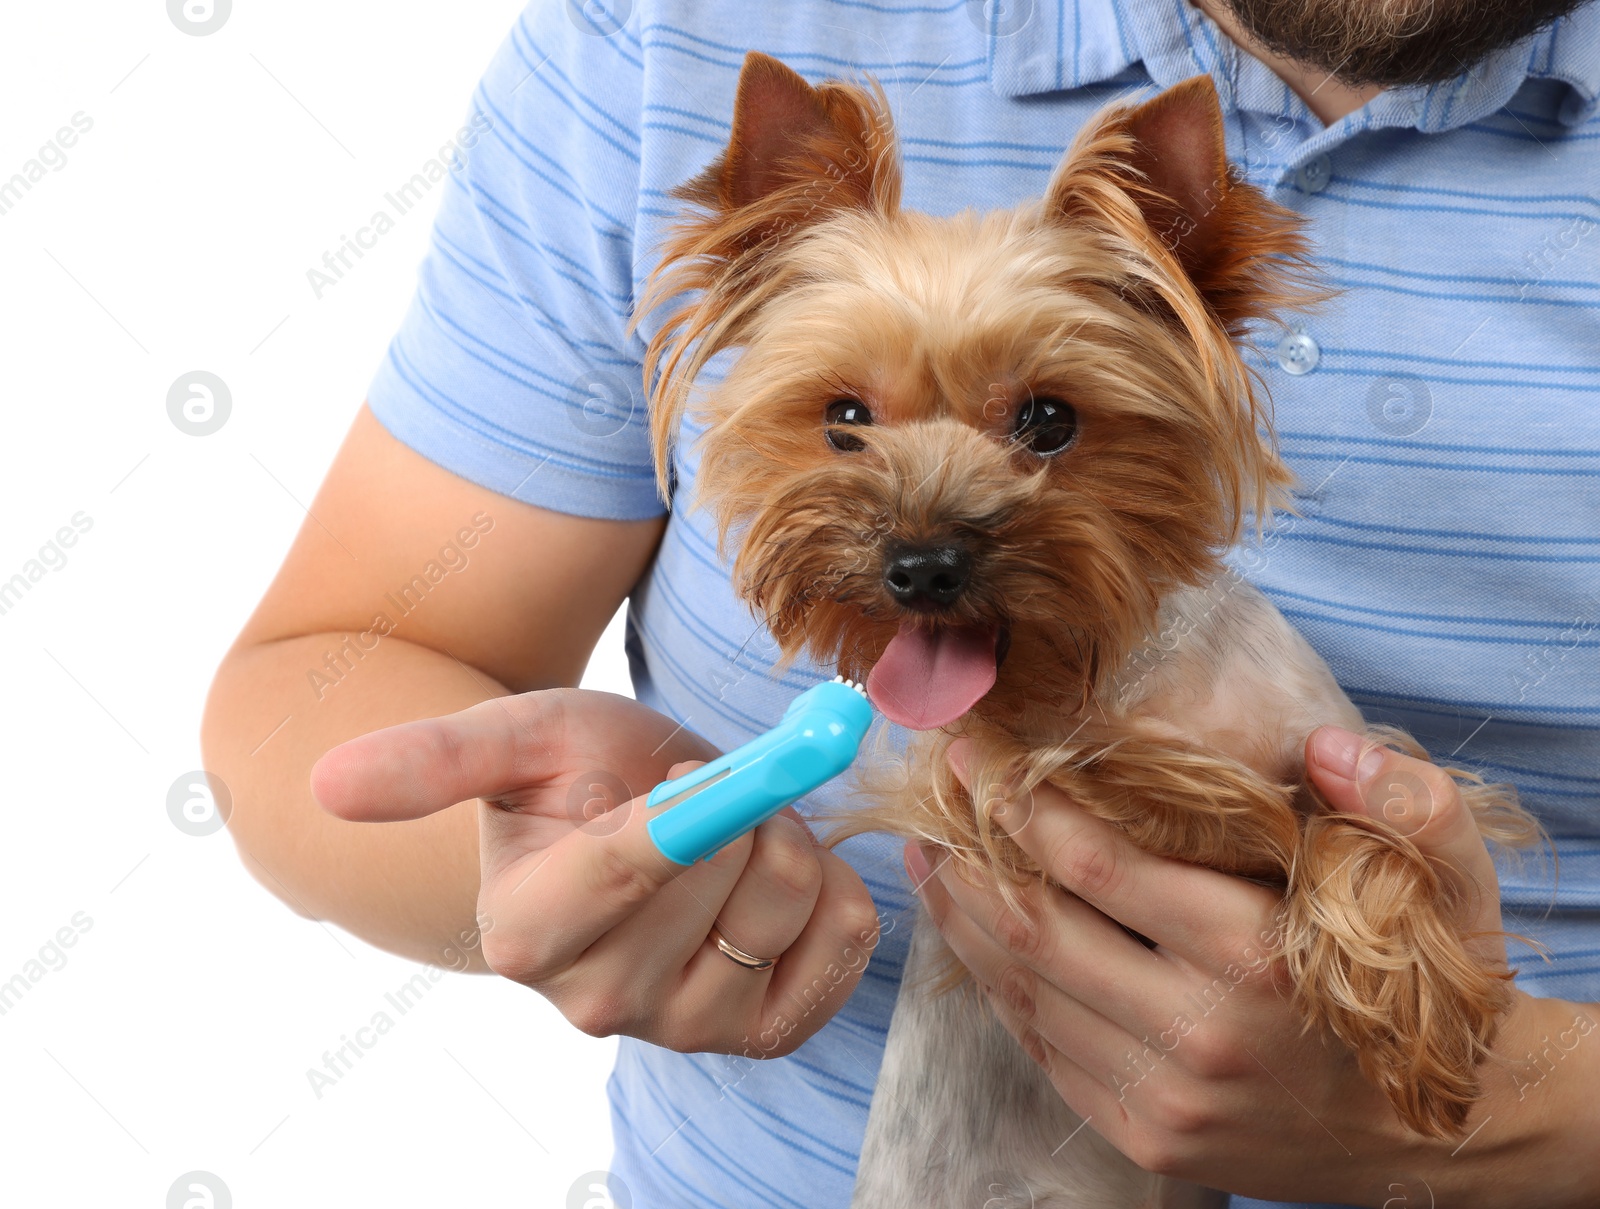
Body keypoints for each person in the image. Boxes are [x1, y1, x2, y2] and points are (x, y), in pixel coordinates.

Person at [201, 0, 1600, 1205]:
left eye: (1044, 419)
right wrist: (543, 864)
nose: (926, 536)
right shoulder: (658, 38)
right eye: (848, 420)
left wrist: (1522, 1119)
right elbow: (323, 693)